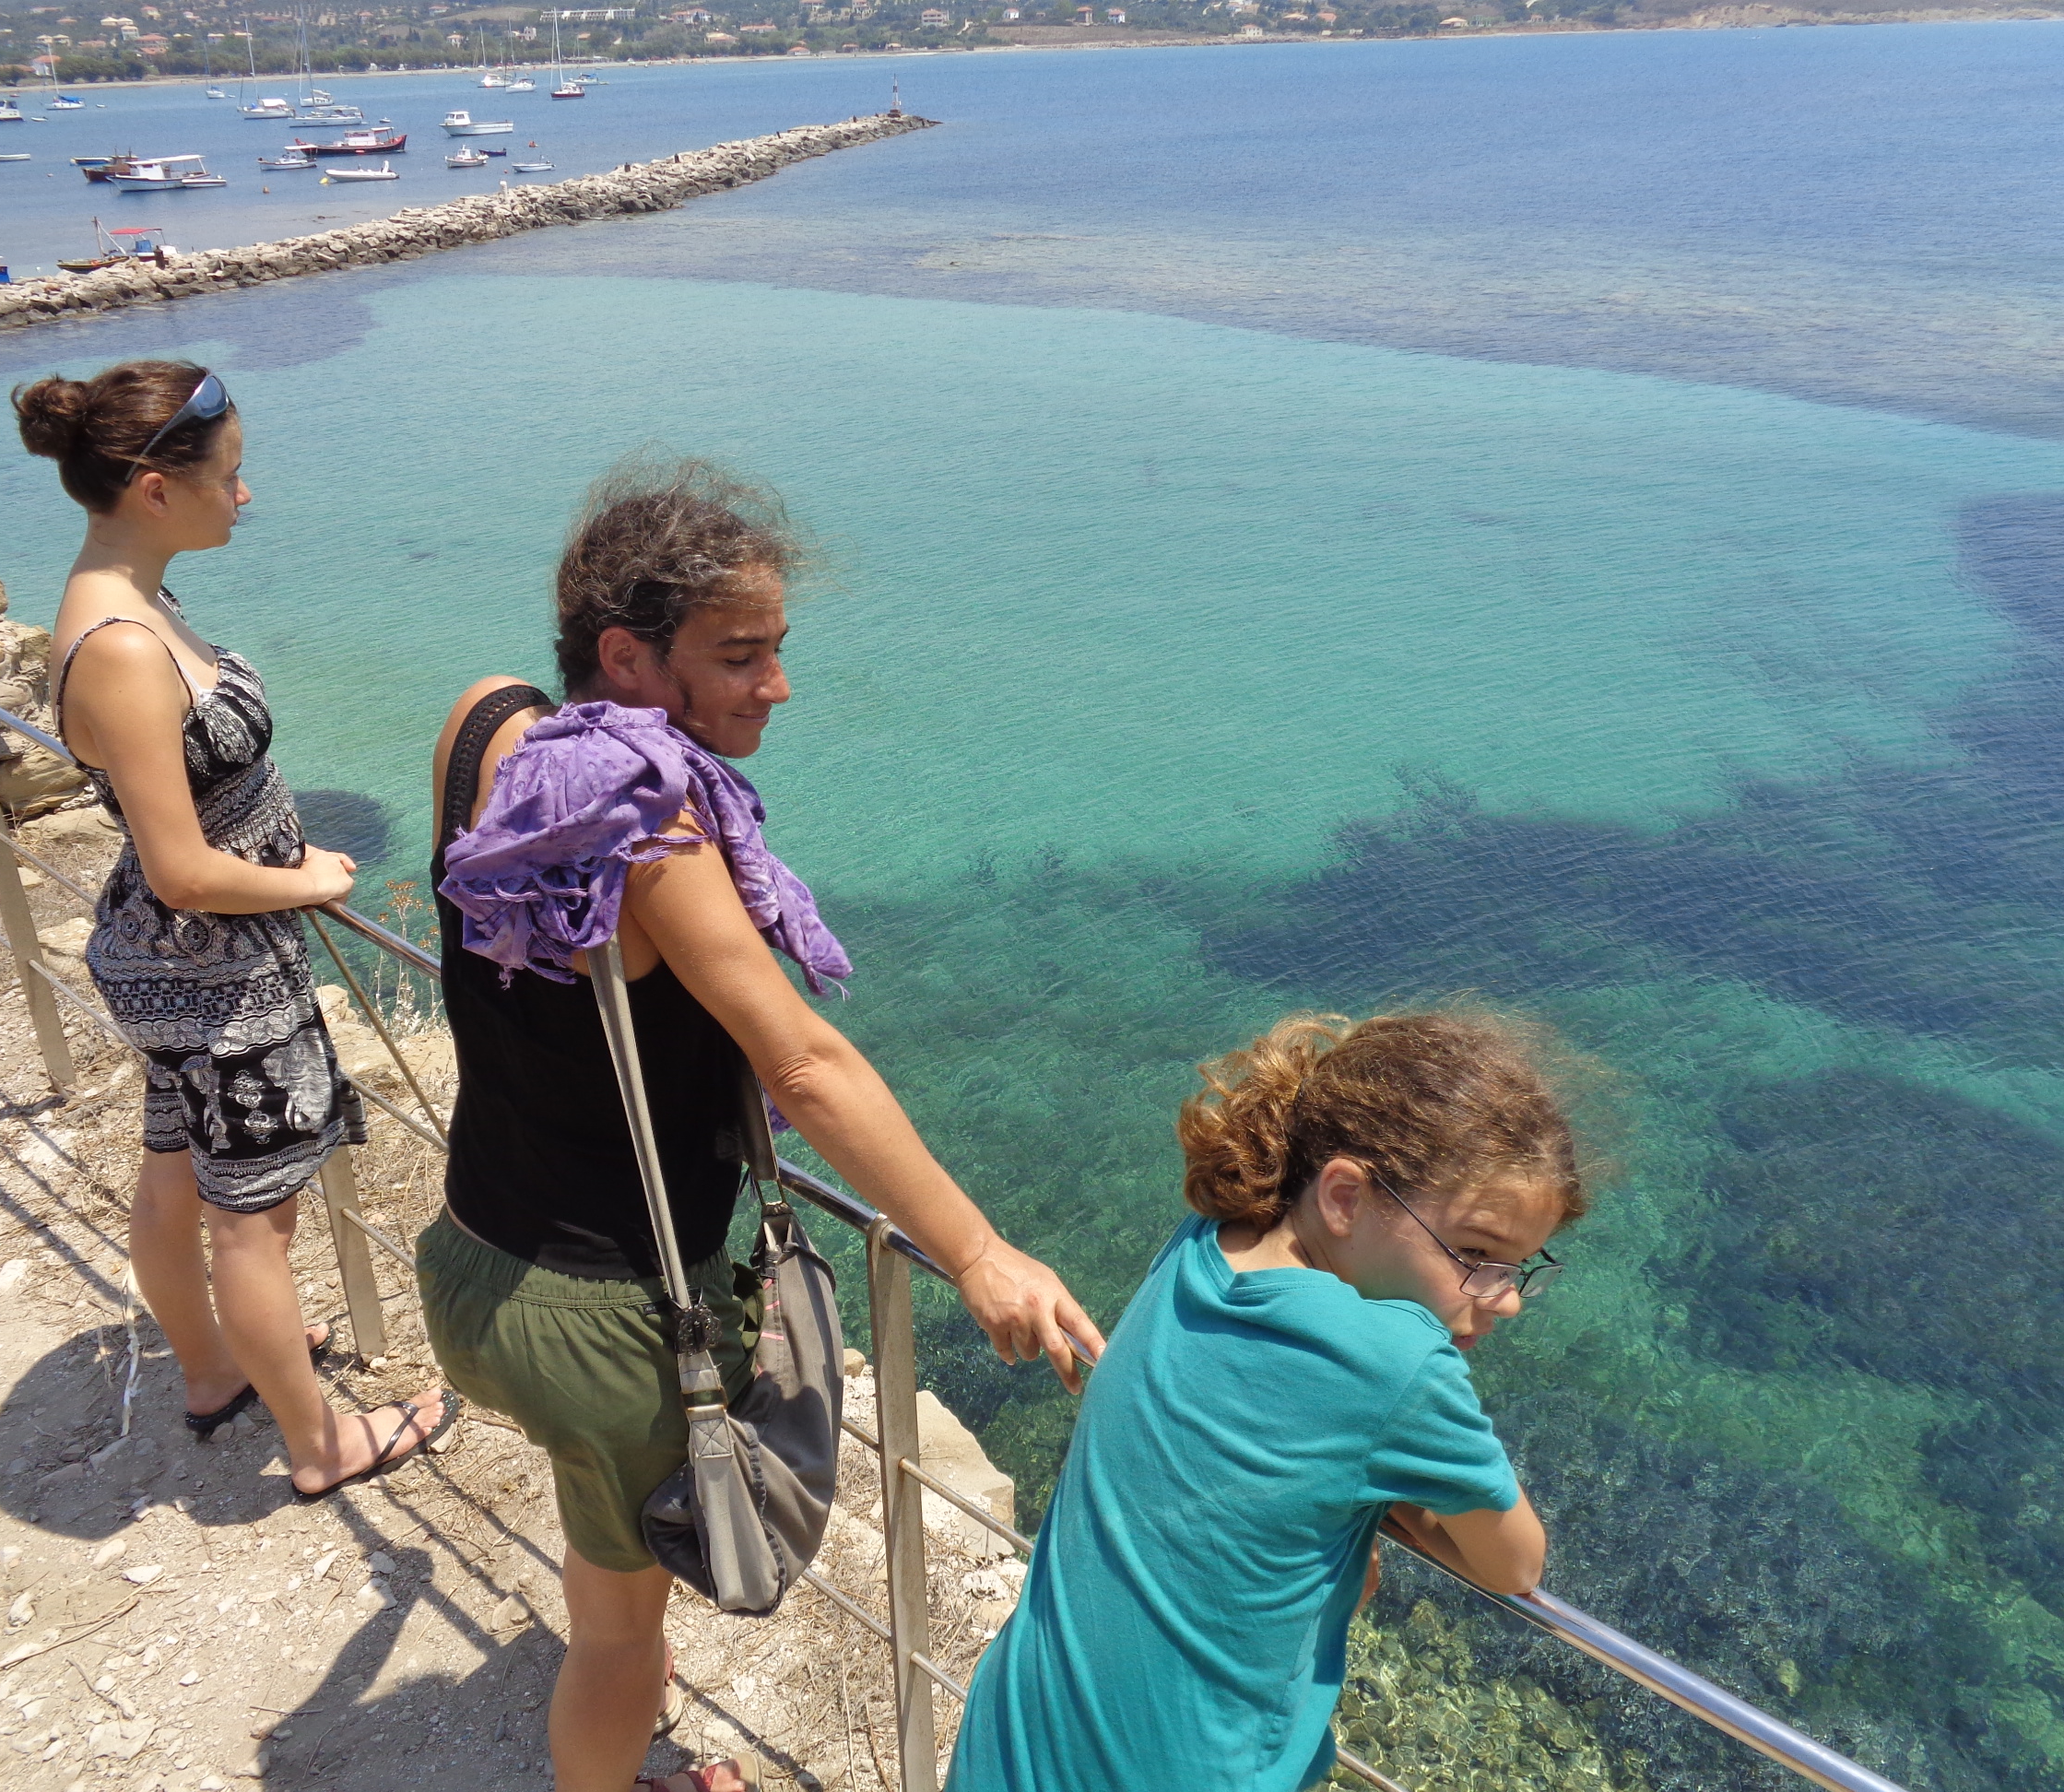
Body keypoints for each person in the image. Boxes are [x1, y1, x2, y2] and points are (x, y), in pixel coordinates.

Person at [422, 459, 1105, 1792]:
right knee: (623, 1645)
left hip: (469, 1253)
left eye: (778, 649)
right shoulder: (650, 829)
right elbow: (801, 1065)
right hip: (601, 1311)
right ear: (628, 656)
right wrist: (975, 1253)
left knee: (605, 1536)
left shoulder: (483, 723)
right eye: (739, 656)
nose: (775, 685)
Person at [947, 1010, 1589, 1792]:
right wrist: (1382, 1497)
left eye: (1520, 1267)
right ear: (1345, 1197)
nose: (1505, 1298)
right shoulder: (1397, 1359)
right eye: (1477, 1253)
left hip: (1013, 1739)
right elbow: (1515, 1562)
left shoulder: (1210, 1237)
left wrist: (1348, 1492)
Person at [17, 360, 456, 1500]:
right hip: (216, 977)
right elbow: (185, 869)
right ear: (156, 489)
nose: (246, 496)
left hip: (173, 965)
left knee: (175, 1172)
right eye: (233, 475)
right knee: (252, 1222)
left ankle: (214, 1373)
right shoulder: (119, 644)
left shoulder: (130, 598)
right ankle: (320, 1447)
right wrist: (305, 879)